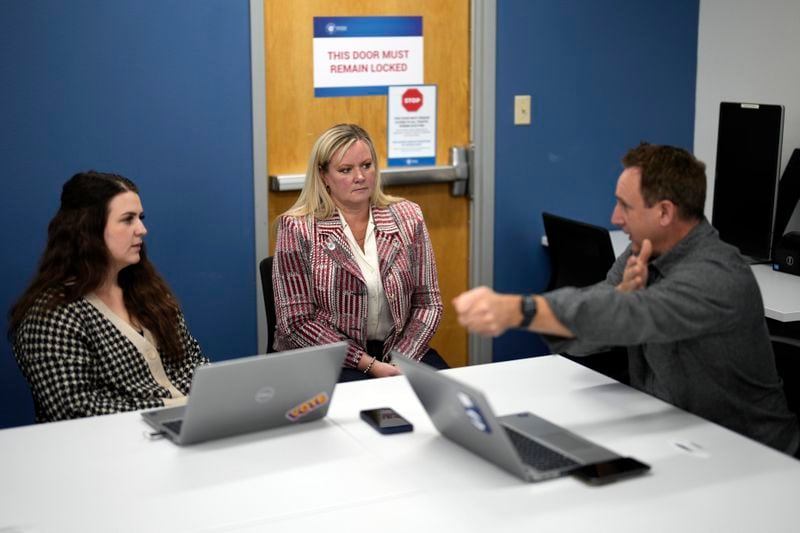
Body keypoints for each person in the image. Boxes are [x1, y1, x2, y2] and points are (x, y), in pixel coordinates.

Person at [453, 142, 800, 455]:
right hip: (672, 433)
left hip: (747, 453)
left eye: (625, 206)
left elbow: (636, 315)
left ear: (664, 212)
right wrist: (619, 296)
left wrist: (520, 310)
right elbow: (588, 337)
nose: (614, 219)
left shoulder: (717, 276)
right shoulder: (642, 252)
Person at [8, 171, 209, 422]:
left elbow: (196, 365)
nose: (142, 229)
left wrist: (218, 398)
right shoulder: (50, 315)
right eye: (127, 220)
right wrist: (174, 408)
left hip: (184, 428)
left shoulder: (151, 292)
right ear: (87, 230)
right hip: (108, 450)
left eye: (140, 218)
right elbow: (75, 408)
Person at [272, 123, 446, 381]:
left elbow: (428, 303)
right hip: (328, 356)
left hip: (398, 351)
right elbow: (296, 322)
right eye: (346, 170)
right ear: (323, 176)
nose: (360, 177)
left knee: (450, 406)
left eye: (366, 165)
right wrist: (369, 365)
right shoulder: (297, 228)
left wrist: (400, 358)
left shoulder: (407, 217)